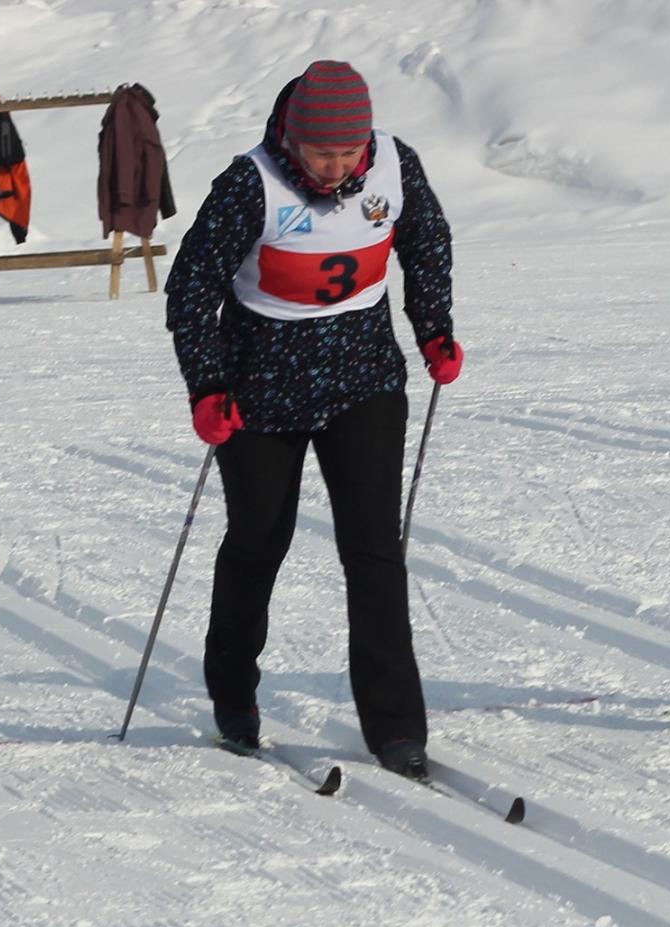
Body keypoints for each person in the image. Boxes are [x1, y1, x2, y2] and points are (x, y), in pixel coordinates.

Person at [165, 60, 462, 780]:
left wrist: (433, 329)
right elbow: (189, 287)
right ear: (293, 141)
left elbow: (425, 244)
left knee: (373, 549)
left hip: (363, 380)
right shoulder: (250, 183)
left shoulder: (394, 165)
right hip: (260, 390)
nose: (336, 167)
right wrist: (207, 384)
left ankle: (395, 728)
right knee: (259, 542)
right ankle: (234, 698)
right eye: (322, 153)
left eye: (348, 152)